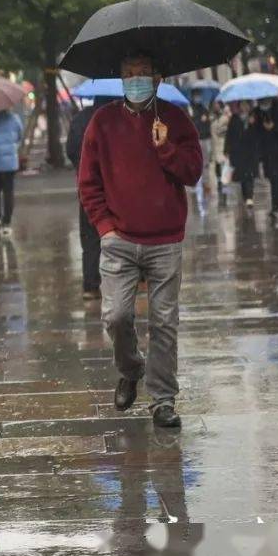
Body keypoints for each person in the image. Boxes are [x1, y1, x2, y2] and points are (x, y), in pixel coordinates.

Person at [78, 51, 203, 428]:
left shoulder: (176, 120)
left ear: (158, 78)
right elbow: (88, 182)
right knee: (116, 316)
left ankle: (163, 400)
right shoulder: (103, 122)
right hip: (119, 240)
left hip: (165, 240)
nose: (136, 79)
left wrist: (165, 148)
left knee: (164, 321)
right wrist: (105, 227)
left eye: (143, 73)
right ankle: (131, 368)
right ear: (120, 78)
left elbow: (193, 172)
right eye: (129, 73)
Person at [66, 97, 113, 300]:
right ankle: (121, 283)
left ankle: (91, 285)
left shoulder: (79, 119)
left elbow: (70, 150)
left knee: (90, 236)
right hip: (115, 185)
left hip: (87, 185)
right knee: (119, 235)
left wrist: (81, 164)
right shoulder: (117, 118)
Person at [252, 98, 278, 218]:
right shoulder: (257, 113)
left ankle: (275, 206)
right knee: (272, 178)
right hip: (266, 152)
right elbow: (256, 133)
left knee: (276, 178)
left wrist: (274, 127)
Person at [0, 110, 24, 236]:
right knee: (8, 192)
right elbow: (20, 135)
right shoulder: (14, 118)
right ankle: (7, 223)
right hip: (10, 161)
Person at [225, 101, 258, 207]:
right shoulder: (234, 119)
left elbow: (258, 134)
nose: (244, 107)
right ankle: (246, 196)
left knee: (249, 175)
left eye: (246, 104)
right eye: (242, 105)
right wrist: (226, 150)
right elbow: (229, 135)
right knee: (242, 177)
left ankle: (249, 196)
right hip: (238, 152)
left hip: (250, 151)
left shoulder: (254, 118)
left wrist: (252, 124)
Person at [189, 90, 213, 196]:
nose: (197, 97)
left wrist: (206, 120)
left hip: (205, 138)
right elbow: (190, 122)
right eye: (196, 95)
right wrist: (199, 120)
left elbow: (208, 123)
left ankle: (206, 183)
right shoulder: (190, 109)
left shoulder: (204, 109)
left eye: (199, 95)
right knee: (195, 161)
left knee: (206, 163)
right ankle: (195, 181)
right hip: (195, 139)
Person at [209, 101, 230, 204]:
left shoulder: (225, 119)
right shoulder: (212, 120)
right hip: (215, 151)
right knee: (217, 174)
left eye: (217, 106)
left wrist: (223, 130)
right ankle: (220, 193)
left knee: (225, 176)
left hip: (223, 150)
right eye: (214, 106)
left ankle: (225, 196)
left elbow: (228, 132)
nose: (216, 108)